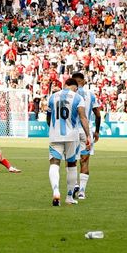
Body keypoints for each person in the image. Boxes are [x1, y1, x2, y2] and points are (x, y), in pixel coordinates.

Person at [47, 78, 90, 206]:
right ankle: (69, 197)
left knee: (54, 163)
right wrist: (88, 136)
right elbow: (83, 117)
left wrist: (53, 129)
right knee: (71, 164)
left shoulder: (52, 97)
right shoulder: (78, 98)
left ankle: (55, 190)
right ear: (73, 86)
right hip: (72, 135)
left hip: (55, 135)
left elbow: (48, 118)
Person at [71, 73, 101, 199]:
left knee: (71, 161)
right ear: (83, 81)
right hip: (86, 131)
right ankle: (82, 191)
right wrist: (97, 131)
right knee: (85, 160)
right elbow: (98, 114)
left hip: (71, 131)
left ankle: (75, 184)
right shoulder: (91, 95)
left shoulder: (69, 95)